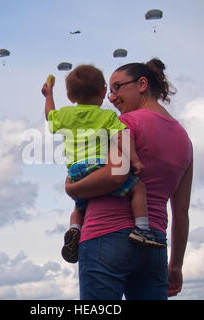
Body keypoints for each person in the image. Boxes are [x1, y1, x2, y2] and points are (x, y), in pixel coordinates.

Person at [65, 58, 193, 299]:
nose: (111, 98)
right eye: (109, 91)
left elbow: (115, 174)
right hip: (154, 242)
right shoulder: (184, 139)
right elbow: (182, 211)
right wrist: (175, 266)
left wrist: (73, 189)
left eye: (117, 88)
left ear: (142, 84)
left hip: (106, 236)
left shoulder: (123, 124)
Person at [41, 65, 167, 264]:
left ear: (69, 96)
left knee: (80, 207)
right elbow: (121, 137)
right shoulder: (108, 116)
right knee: (138, 188)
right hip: (100, 166)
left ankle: (74, 230)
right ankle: (142, 229)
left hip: (76, 171)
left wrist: (48, 95)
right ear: (102, 91)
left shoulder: (64, 115)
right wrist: (134, 160)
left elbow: (50, 115)